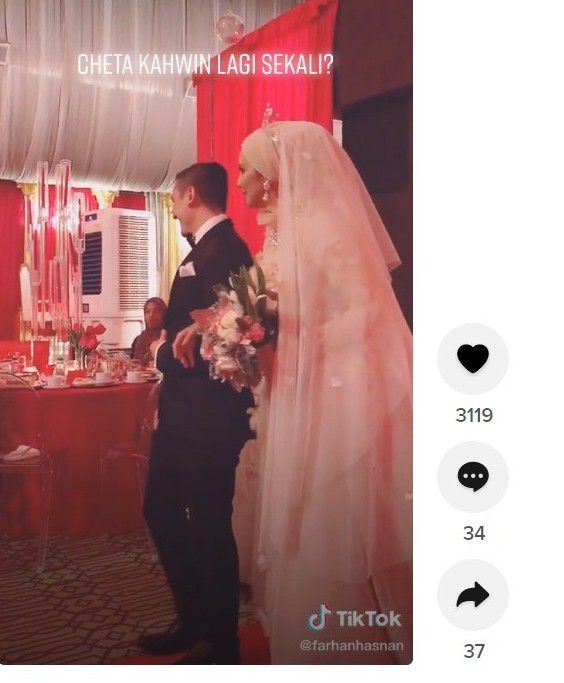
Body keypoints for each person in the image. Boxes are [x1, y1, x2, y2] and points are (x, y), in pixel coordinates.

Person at [174, 122, 412, 664]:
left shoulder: (325, 227)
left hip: (332, 391)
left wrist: (295, 341)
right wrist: (229, 328)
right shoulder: (281, 233)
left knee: (330, 513)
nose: (239, 181)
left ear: (271, 175)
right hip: (292, 389)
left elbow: (365, 308)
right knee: (298, 513)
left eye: (244, 170)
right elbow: (265, 303)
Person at [139, 162, 254, 665]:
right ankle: (194, 619)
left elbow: (226, 345)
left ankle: (222, 642)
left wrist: (158, 352)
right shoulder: (205, 250)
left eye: (173, 197)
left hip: (208, 421)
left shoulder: (226, 249)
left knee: (209, 524)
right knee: (161, 510)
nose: (171, 207)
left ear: (190, 195)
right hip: (185, 418)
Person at [130, 297, 167, 365]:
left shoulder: (168, 340)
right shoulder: (138, 340)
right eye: (147, 312)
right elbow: (133, 364)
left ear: (163, 315)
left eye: (156, 311)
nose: (151, 315)